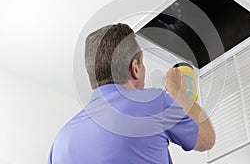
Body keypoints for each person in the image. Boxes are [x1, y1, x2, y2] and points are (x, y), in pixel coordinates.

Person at [48, 23, 215, 164]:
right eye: (142, 65)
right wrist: (176, 89)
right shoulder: (155, 102)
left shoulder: (60, 142)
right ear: (135, 69)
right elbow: (207, 139)